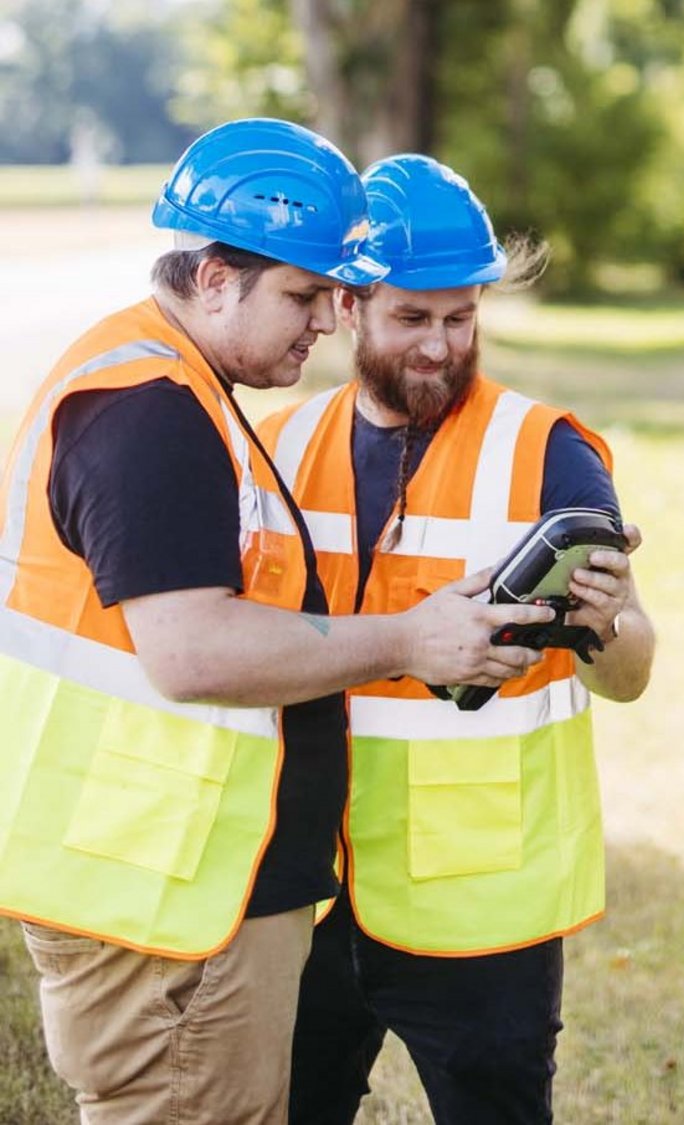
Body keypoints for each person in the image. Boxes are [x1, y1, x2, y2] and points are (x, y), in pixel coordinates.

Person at [0, 119, 555, 1124]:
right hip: (165, 902)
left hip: (174, 882)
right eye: (304, 296)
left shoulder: (183, 393)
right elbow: (194, 648)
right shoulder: (149, 412)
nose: (327, 326)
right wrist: (403, 638)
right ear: (215, 277)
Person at [257, 154, 655, 1125]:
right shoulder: (279, 448)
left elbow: (633, 672)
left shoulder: (548, 449)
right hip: (308, 889)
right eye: (413, 318)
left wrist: (609, 623)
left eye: (461, 316)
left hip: (481, 909)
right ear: (349, 307)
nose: (441, 346)